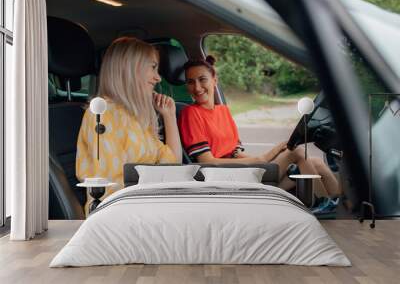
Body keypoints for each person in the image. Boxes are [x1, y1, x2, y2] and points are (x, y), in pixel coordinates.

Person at [178, 55, 340, 199]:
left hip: (239, 170)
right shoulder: (190, 113)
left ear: (214, 80)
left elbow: (235, 153)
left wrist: (267, 158)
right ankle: (322, 204)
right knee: (297, 152)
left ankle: (341, 208)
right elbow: (207, 162)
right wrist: (261, 159)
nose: (197, 88)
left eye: (202, 79)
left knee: (316, 162)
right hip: (225, 177)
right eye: (190, 82)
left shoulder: (222, 111)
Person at [76, 37, 182, 214]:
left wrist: (169, 117)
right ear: (131, 69)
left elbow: (172, 165)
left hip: (141, 206)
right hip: (118, 215)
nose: (158, 77)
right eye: (153, 67)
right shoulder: (104, 114)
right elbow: (113, 188)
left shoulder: (134, 116)